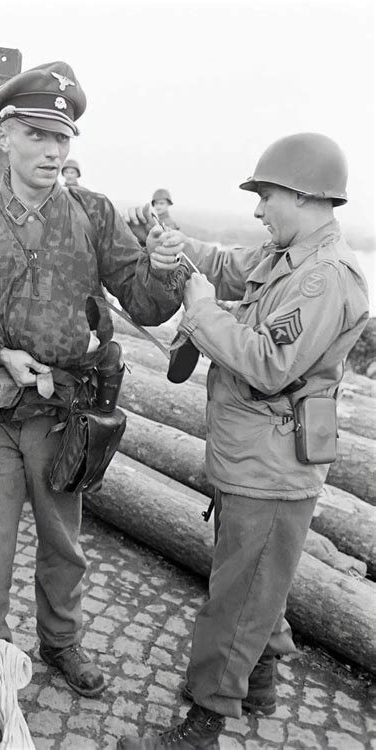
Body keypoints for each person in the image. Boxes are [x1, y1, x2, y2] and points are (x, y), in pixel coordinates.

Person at [0, 61, 184, 700]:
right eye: (37, 134)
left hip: (65, 419)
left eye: (63, 137)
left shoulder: (93, 213)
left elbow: (142, 303)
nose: (53, 150)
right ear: (4, 135)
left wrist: (162, 269)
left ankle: (60, 646)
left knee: (64, 546)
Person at [119, 132, 369, 749]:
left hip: (272, 469)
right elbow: (225, 263)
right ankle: (257, 682)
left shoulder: (325, 280)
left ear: (306, 196)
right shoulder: (285, 257)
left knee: (236, 602)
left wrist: (201, 312)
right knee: (259, 582)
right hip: (251, 459)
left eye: (267, 197)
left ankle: (203, 724)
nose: (257, 210)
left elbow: (267, 365)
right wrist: (176, 251)